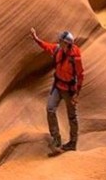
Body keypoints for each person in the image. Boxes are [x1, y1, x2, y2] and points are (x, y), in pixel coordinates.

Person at [30, 26, 84, 155]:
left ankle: (72, 143)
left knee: (72, 117)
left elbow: (80, 75)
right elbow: (47, 46)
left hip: (69, 91)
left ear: (66, 43)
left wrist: (76, 94)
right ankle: (56, 139)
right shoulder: (58, 49)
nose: (58, 42)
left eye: (60, 41)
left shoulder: (75, 57)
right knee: (50, 108)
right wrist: (36, 39)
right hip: (58, 86)